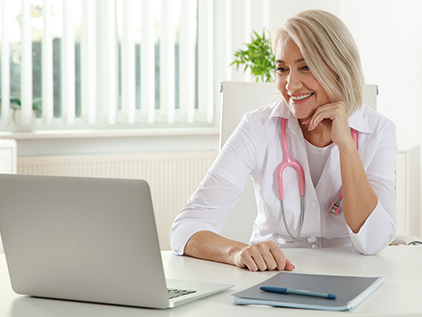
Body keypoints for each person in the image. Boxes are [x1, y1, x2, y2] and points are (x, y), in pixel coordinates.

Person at [169, 9, 397, 272]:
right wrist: (238, 252)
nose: (290, 84)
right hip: (272, 280)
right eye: (282, 69)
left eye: (305, 67)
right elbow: (185, 228)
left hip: (352, 280)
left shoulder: (379, 132)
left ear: (338, 69)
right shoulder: (257, 128)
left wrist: (346, 147)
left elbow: (375, 241)